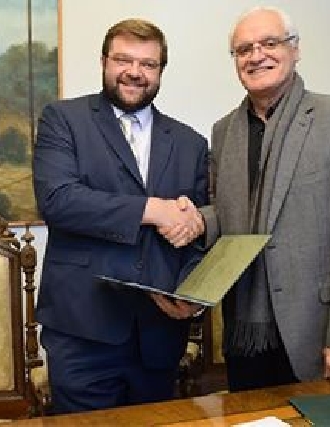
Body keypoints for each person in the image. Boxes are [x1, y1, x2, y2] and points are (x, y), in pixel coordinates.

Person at [199, 6, 330, 392]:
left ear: (295, 49)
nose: (256, 55)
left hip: (318, 333)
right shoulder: (224, 131)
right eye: (243, 49)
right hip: (244, 333)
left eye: (270, 43)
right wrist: (192, 218)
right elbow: (228, 216)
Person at [33, 18, 208, 414]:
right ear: (103, 62)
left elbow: (197, 231)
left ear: (161, 70)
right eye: (123, 60)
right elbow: (59, 200)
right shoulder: (63, 120)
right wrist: (154, 210)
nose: (134, 72)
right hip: (83, 332)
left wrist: (192, 296)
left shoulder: (191, 143)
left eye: (148, 64)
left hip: (160, 336)